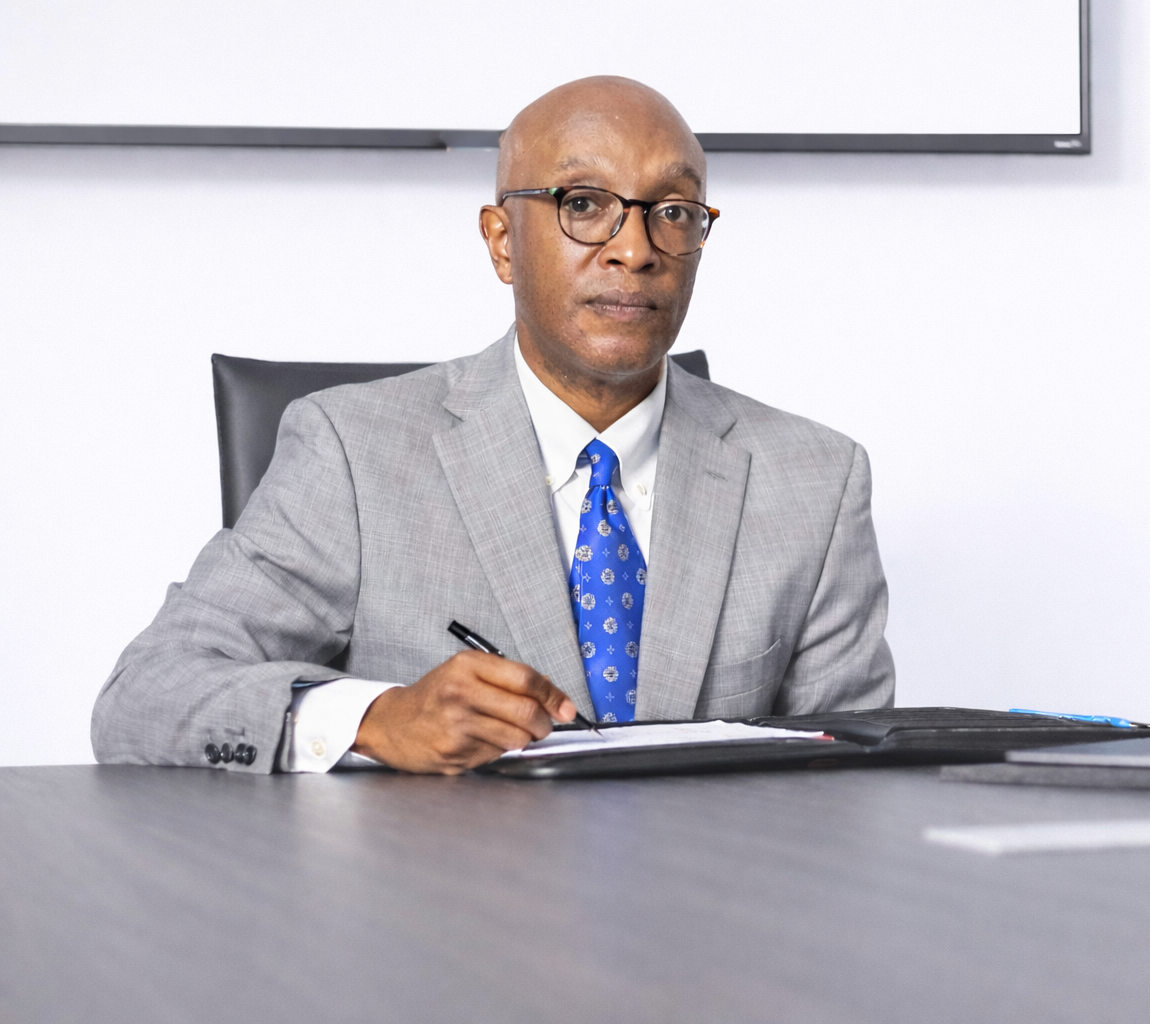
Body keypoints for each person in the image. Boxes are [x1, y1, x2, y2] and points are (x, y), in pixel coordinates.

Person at [91, 77, 895, 775]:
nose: (636, 249)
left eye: (674, 212)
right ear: (502, 241)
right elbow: (146, 695)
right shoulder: (353, 454)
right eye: (584, 205)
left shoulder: (815, 481)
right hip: (443, 924)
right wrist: (375, 718)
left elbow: (855, 777)